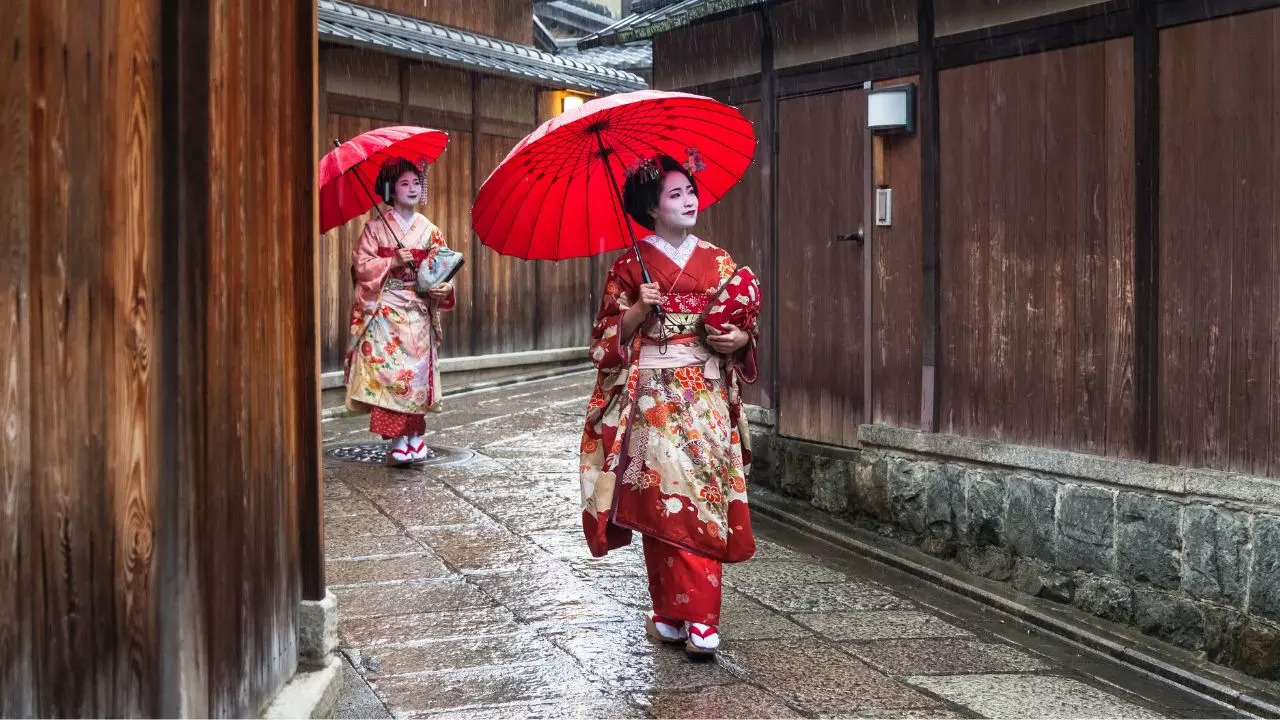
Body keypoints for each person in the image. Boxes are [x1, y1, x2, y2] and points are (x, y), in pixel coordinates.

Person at [579, 153, 760, 657]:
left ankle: (700, 617)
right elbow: (601, 343)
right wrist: (636, 312)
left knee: (702, 494)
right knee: (664, 499)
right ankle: (668, 613)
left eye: (690, 191)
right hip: (654, 397)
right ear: (651, 209)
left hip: (704, 396)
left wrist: (738, 338)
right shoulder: (628, 266)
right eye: (675, 195)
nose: (689, 200)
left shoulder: (719, 261)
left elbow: (744, 328)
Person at [344, 157, 456, 466]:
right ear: (390, 190)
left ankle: (416, 437)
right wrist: (391, 262)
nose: (411, 188)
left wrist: (443, 288)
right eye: (404, 183)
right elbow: (361, 266)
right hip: (385, 313)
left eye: (416, 183)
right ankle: (397, 440)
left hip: (418, 311)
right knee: (391, 377)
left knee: (417, 380)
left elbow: (443, 270)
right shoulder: (375, 228)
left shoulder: (430, 231)